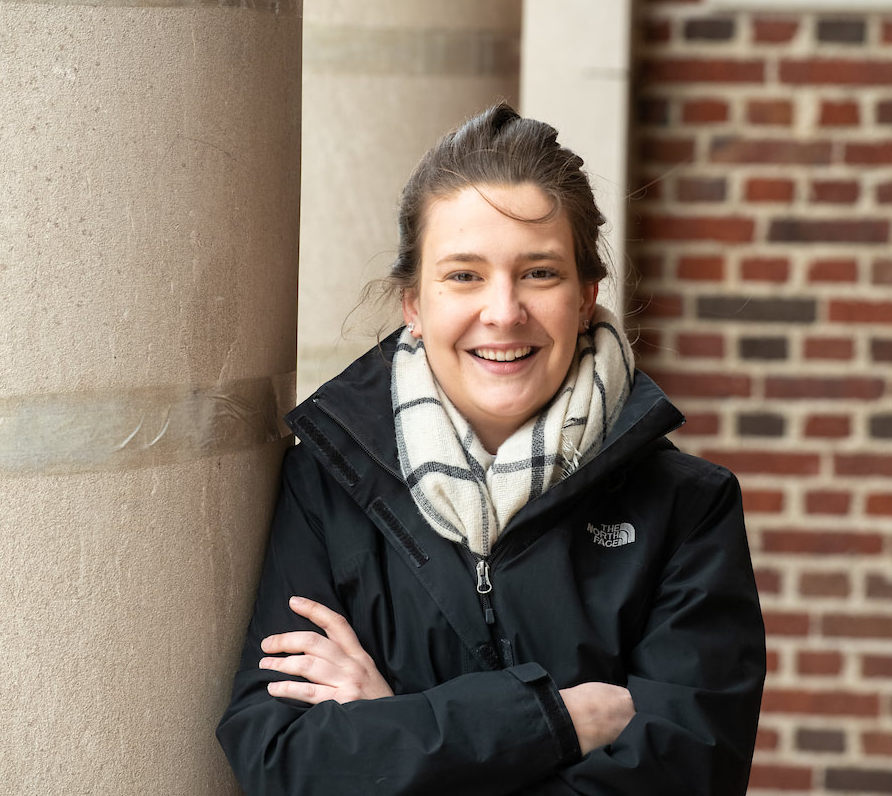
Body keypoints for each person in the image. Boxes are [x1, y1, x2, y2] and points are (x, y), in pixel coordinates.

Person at [217, 103, 766, 794]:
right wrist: (554, 721)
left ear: (588, 294)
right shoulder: (327, 485)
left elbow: (686, 779)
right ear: (413, 302)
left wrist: (394, 725)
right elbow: (283, 763)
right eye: (464, 275)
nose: (503, 311)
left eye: (539, 273)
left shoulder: (687, 511)